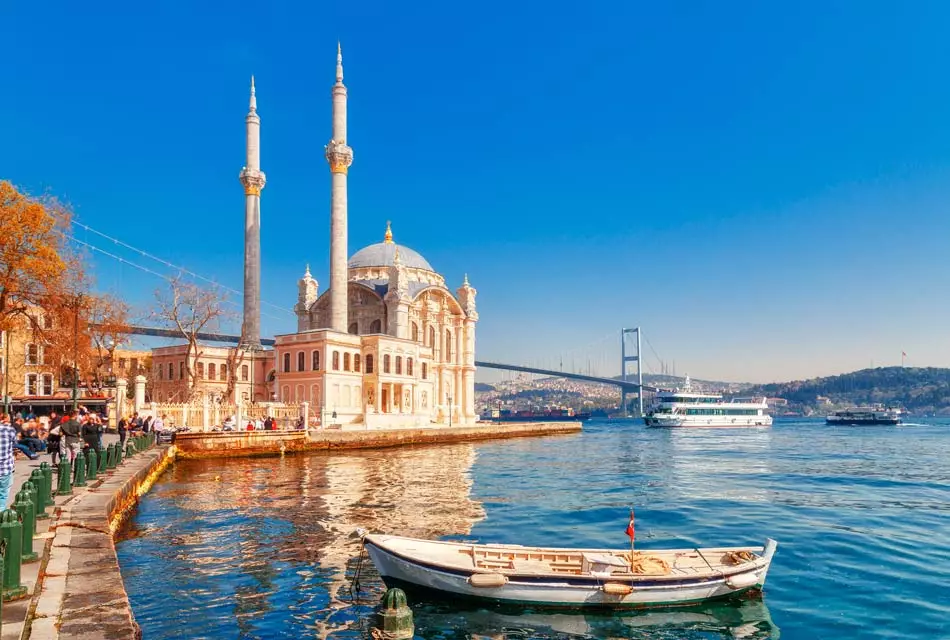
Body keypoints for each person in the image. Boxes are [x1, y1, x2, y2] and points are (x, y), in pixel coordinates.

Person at [0, 414, 17, 508]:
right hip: (5, 467)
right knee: (3, 494)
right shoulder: (9, 430)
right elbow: (15, 443)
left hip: (5, 467)